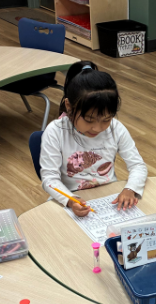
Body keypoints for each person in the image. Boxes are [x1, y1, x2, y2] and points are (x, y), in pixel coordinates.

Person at [39, 61, 147, 213]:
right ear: (69, 107)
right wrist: (70, 200)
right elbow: (49, 179)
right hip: (68, 199)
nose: (98, 128)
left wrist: (130, 189)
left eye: (106, 119)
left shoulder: (116, 128)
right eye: (89, 120)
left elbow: (138, 166)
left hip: (108, 197)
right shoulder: (56, 132)